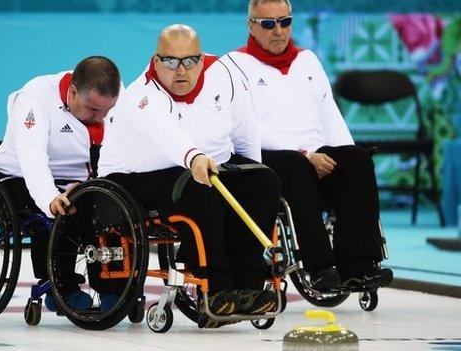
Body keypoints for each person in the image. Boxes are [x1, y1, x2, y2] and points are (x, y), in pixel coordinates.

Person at [98, 24, 279, 328]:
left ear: (201, 58)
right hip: (134, 178)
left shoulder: (225, 75)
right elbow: (167, 135)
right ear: (156, 61)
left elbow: (246, 132)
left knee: (264, 181)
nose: (181, 71)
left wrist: (252, 172)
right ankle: (218, 289)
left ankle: (248, 286)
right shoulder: (141, 96)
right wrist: (193, 157)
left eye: (190, 61)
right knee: (197, 189)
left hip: (201, 168)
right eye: (170, 61)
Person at [221, 0, 393, 290]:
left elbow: (330, 116)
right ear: (251, 25)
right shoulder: (233, 65)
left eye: (285, 22)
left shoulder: (308, 60)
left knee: (357, 159)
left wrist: (347, 154)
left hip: (315, 155)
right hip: (270, 156)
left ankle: (358, 264)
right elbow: (246, 129)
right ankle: (319, 266)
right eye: (268, 23)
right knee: (293, 165)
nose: (278, 31)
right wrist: (306, 154)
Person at [0, 56, 121, 310]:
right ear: (72, 92)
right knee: (67, 207)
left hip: (83, 179)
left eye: (107, 110)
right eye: (93, 110)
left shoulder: (113, 95)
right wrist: (51, 198)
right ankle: (62, 288)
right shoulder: (35, 98)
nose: (101, 117)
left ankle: (112, 286)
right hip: (19, 177)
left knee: (110, 204)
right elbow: (32, 158)